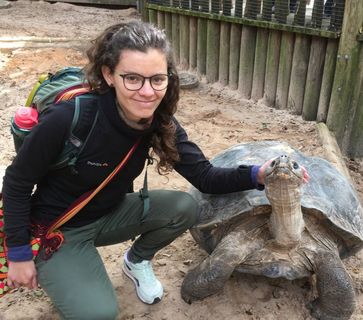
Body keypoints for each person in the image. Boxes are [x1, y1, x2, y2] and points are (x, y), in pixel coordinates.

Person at [2, 21, 308, 319]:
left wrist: (258, 174)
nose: (147, 92)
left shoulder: (160, 123)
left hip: (109, 213)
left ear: (168, 78)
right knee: (98, 313)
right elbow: (16, 183)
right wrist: (17, 253)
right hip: (59, 229)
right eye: (132, 78)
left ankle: (136, 261)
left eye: (157, 79)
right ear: (109, 74)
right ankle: (61, 267)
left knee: (184, 206)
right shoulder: (69, 117)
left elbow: (205, 177)